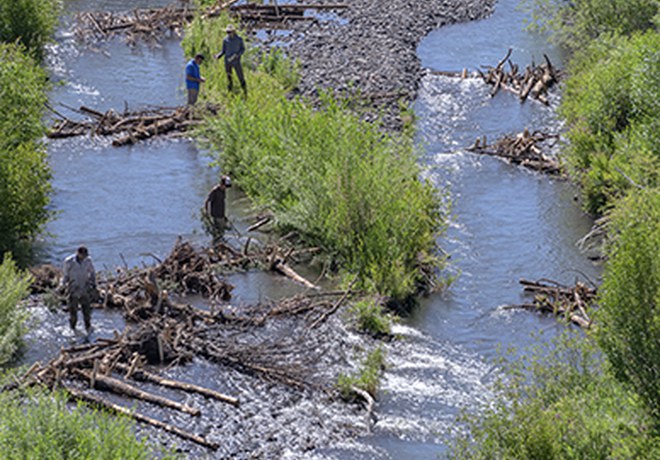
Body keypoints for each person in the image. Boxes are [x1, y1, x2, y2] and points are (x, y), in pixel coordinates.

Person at [61, 246, 97, 335]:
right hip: (73, 289)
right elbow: (65, 275)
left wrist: (94, 284)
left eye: (86, 255)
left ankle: (88, 328)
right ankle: (72, 330)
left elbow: (92, 273)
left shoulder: (88, 261)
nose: (84, 257)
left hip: (84, 289)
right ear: (78, 253)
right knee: (73, 313)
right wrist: (62, 285)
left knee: (87, 312)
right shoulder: (69, 261)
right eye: (83, 255)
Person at [215, 24, 247, 95]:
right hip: (227, 61)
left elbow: (243, 49)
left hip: (236, 62)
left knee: (240, 76)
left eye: (229, 32)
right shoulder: (225, 40)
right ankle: (230, 92)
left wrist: (237, 55)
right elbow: (223, 51)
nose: (228, 34)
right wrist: (218, 56)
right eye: (227, 32)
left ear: (233, 32)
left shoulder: (239, 39)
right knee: (229, 76)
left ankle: (245, 92)